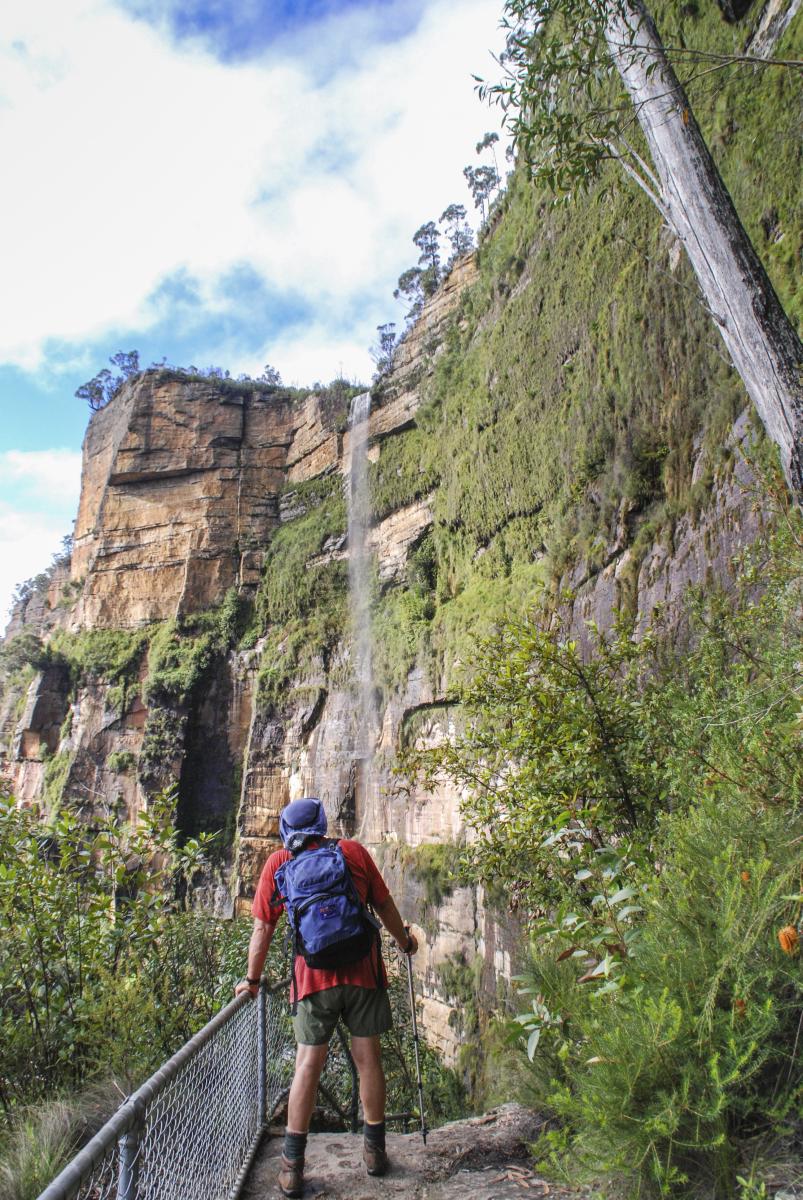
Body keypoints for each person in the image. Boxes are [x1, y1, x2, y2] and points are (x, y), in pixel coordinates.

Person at [235, 797, 419, 1199]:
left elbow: (262, 931)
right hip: (363, 972)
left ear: (286, 831)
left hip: (312, 978)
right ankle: (374, 1152)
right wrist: (405, 942)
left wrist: (252, 980)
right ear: (322, 824)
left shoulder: (278, 864)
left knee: (307, 1066)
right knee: (367, 1058)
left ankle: (291, 1168)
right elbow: (384, 905)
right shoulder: (351, 852)